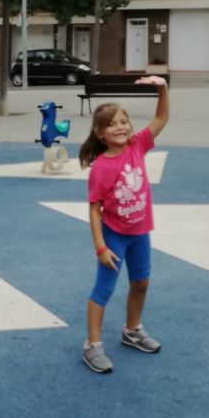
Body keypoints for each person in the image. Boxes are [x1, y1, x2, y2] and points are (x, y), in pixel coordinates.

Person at [78, 76, 169, 374]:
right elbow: (94, 210)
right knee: (103, 290)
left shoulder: (137, 145)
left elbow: (161, 117)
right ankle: (92, 345)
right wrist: (100, 247)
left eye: (124, 121)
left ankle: (132, 330)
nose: (120, 127)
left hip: (140, 232)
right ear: (100, 133)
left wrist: (162, 89)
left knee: (141, 284)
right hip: (114, 236)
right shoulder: (101, 167)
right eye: (112, 124)